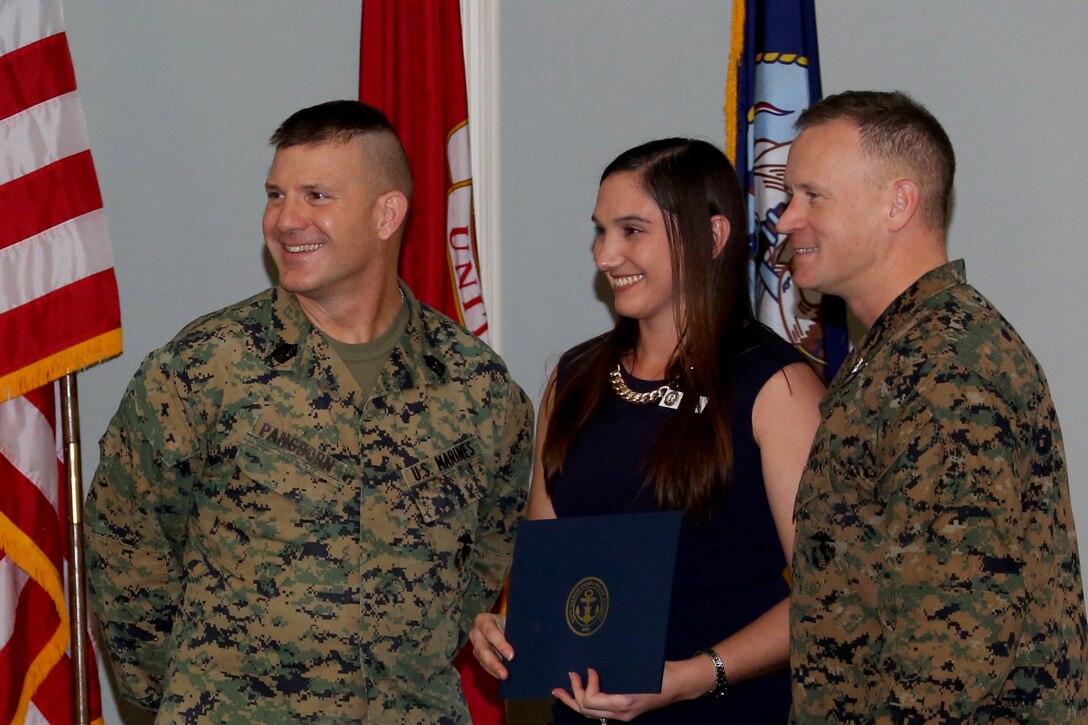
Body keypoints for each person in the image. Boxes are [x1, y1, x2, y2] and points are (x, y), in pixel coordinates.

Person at [84, 100, 534, 723]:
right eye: (276, 195)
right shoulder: (203, 368)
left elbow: (490, 551)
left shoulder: (477, 386)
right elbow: (124, 543)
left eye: (316, 196)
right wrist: (199, 699)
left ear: (387, 213)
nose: (285, 219)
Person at [470, 138, 825, 722]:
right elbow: (552, 571)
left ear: (711, 238)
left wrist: (692, 676)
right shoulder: (574, 377)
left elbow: (826, 596)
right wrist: (515, 626)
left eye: (632, 231)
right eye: (600, 231)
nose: (606, 255)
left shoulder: (777, 388)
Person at [781, 90, 1088, 721]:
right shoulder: (899, 350)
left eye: (813, 195)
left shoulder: (948, 366)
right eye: (791, 196)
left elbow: (954, 645)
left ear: (898, 203)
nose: (786, 219)